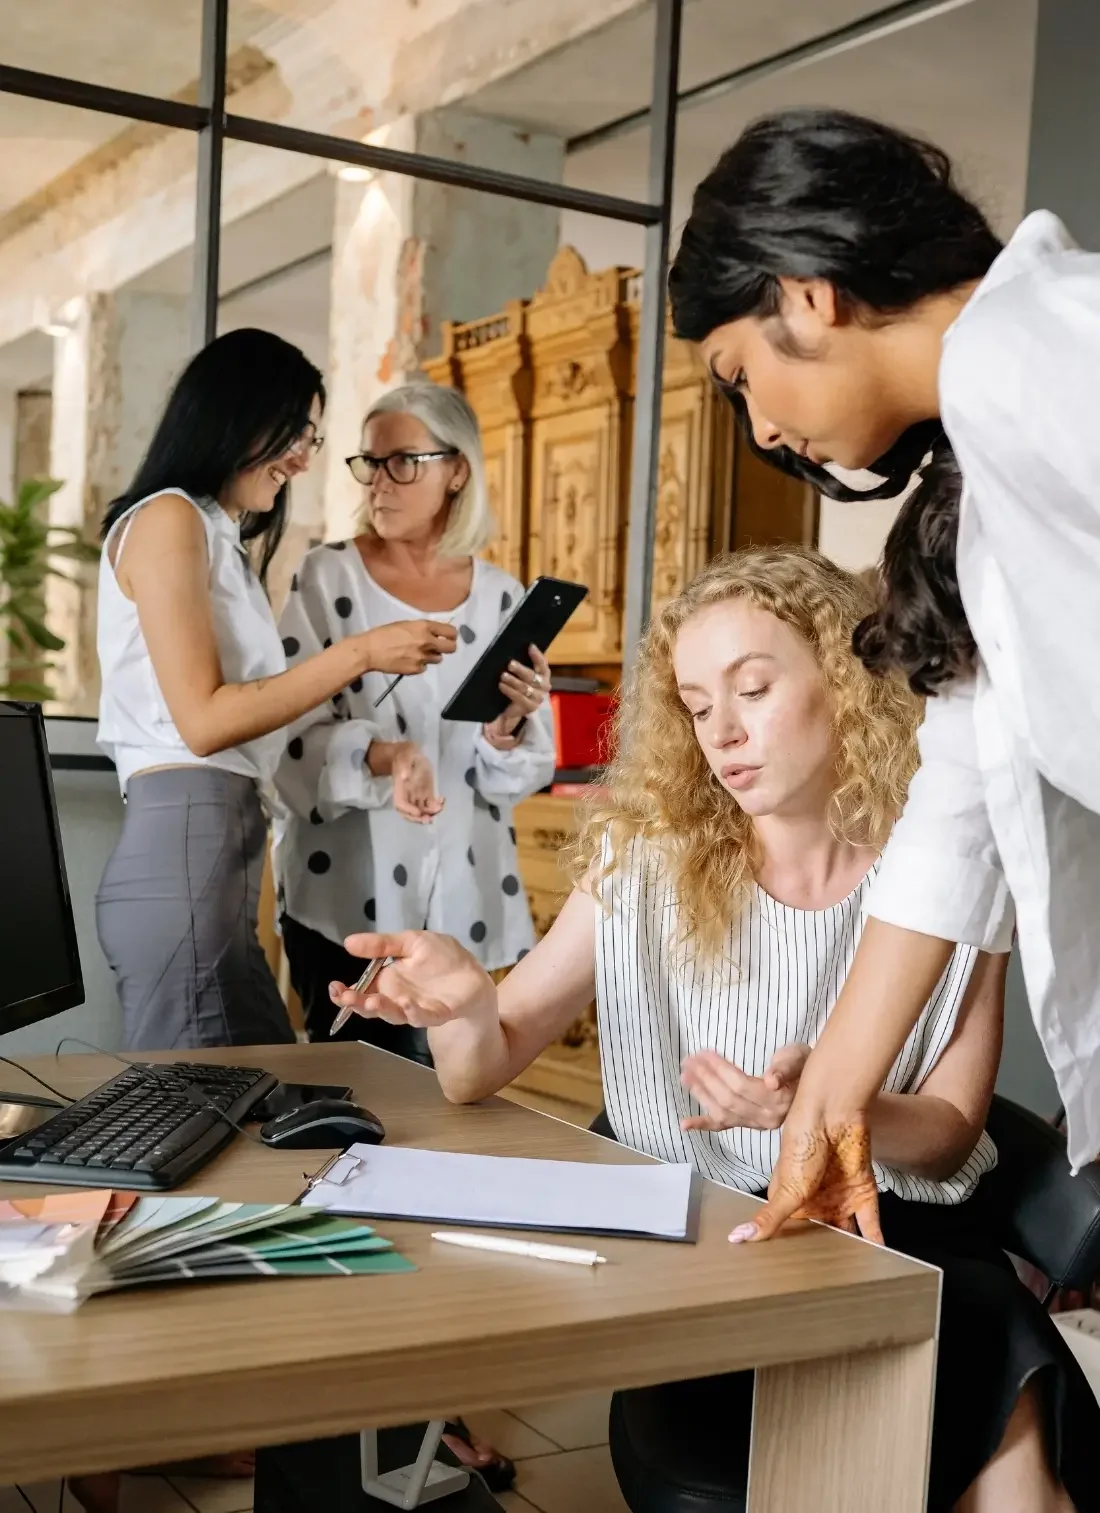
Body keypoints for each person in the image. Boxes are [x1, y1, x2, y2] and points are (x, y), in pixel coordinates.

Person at [328, 547, 1098, 1513]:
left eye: (754, 689)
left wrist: (825, 1102)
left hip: (895, 1236)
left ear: (846, 680)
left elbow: (948, 1128)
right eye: (697, 705)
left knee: (991, 1363)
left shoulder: (948, 870)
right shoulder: (642, 861)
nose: (723, 733)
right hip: (708, 1254)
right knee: (998, 1398)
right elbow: (482, 1066)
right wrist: (465, 1006)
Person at [664, 106, 1100, 1242]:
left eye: (738, 373)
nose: (759, 426)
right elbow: (951, 827)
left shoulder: (1039, 352)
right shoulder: (985, 464)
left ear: (803, 292)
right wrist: (822, 1119)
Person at [95, 328, 456, 1054]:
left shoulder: (213, 534)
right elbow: (203, 720)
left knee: (261, 1099)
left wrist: (387, 751)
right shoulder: (169, 518)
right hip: (185, 847)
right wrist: (359, 653)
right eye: (292, 430)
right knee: (218, 1113)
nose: (300, 455)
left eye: (312, 438)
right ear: (233, 413)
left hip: (215, 854)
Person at [273, 380, 555, 1051]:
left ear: (457, 470)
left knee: (455, 1091)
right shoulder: (326, 577)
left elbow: (511, 774)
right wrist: (389, 756)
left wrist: (507, 725)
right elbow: (286, 741)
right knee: (357, 1096)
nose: (379, 482)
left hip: (466, 894)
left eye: (403, 461)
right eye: (370, 462)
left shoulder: (502, 598)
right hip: (342, 898)